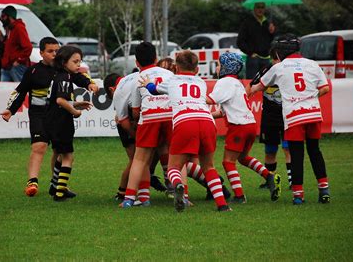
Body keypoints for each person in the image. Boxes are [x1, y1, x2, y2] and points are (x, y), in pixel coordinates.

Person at [0, 37, 98, 197]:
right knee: (39, 146)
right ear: (41, 53)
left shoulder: (64, 70)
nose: (54, 54)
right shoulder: (32, 71)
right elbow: (20, 91)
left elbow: (80, 76)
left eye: (56, 51)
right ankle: (32, 181)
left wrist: (90, 84)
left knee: (59, 151)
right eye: (50, 51)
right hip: (39, 114)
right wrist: (11, 109)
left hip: (58, 114)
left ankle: (56, 184)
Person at [139, 50, 231, 212]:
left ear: (175, 67)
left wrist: (147, 84)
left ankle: (178, 185)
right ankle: (222, 205)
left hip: (185, 122)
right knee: (208, 167)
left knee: (174, 166)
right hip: (207, 121)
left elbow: (154, 90)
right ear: (196, 70)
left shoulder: (172, 80)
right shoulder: (201, 82)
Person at [249, 34, 330, 205]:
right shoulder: (313, 64)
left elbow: (258, 86)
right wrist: (310, 96)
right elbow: (325, 89)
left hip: (294, 116)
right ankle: (324, 191)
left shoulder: (279, 67)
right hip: (314, 114)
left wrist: (246, 93)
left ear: (281, 51)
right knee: (315, 151)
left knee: (297, 154)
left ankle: (298, 195)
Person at [207, 52, 281, 204]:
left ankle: (240, 196)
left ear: (227, 67)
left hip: (238, 127)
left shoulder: (224, 82)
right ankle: (269, 176)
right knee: (242, 158)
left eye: (219, 64)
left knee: (228, 162)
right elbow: (224, 110)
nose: (217, 67)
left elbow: (209, 99)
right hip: (250, 125)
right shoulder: (236, 83)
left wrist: (189, 97)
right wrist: (208, 115)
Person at [120, 42, 174, 208]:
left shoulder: (138, 78)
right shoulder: (169, 74)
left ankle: (132, 199)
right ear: (156, 59)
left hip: (150, 117)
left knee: (140, 159)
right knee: (175, 156)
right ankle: (183, 194)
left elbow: (135, 111)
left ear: (136, 63)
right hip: (170, 116)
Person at [44, 45, 95, 201]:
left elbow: (58, 100)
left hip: (52, 119)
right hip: (60, 121)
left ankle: (55, 186)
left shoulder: (59, 75)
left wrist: (77, 104)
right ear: (64, 62)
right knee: (68, 157)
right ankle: (60, 192)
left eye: (80, 61)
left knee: (60, 155)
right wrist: (75, 111)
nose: (78, 65)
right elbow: (60, 100)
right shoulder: (64, 78)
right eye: (75, 61)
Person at [247, 51, 292, 189]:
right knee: (270, 150)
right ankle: (270, 180)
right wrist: (244, 101)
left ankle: (293, 181)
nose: (277, 63)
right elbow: (251, 85)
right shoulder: (267, 70)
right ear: (273, 60)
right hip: (269, 117)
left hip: (287, 115)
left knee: (288, 148)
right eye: (276, 60)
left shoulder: (289, 71)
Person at [104, 72, 139, 201]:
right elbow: (122, 119)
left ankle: (125, 190)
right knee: (136, 159)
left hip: (126, 125)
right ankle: (122, 191)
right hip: (126, 127)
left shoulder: (122, 89)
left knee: (138, 159)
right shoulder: (125, 86)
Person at [237, 2, 276, 79]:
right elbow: (240, 42)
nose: (260, 9)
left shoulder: (267, 23)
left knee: (266, 84)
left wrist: (272, 33)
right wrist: (250, 53)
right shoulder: (247, 23)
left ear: (264, 9)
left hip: (266, 59)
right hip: (253, 59)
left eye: (262, 7)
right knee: (252, 83)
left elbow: (270, 41)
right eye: (258, 7)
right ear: (254, 9)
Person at [0, 5, 33, 82]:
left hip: (16, 67)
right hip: (7, 66)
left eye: (3, 16)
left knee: (20, 90)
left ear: (10, 17)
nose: (1, 19)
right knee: (3, 92)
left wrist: (18, 60)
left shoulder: (19, 28)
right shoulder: (10, 29)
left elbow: (28, 47)